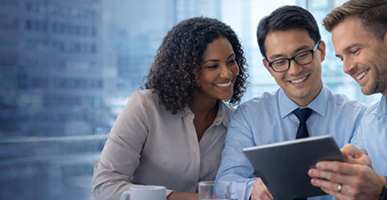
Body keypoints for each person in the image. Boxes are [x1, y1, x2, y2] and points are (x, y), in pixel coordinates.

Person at [215, 6, 366, 200]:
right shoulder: (249, 117)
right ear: (268, 67)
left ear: (321, 51)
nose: (294, 70)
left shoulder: (357, 117)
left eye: (302, 55)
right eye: (279, 61)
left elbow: (363, 182)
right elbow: (225, 181)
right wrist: (253, 188)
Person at [91, 17, 249, 200]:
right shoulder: (145, 107)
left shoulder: (236, 123)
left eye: (231, 61)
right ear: (185, 70)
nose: (228, 73)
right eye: (212, 66)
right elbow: (105, 186)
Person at [308, 0, 387, 199]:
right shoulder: (369, 121)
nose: (347, 68)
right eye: (342, 58)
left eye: (354, 51)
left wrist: (385, 190)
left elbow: (378, 188)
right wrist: (349, 173)